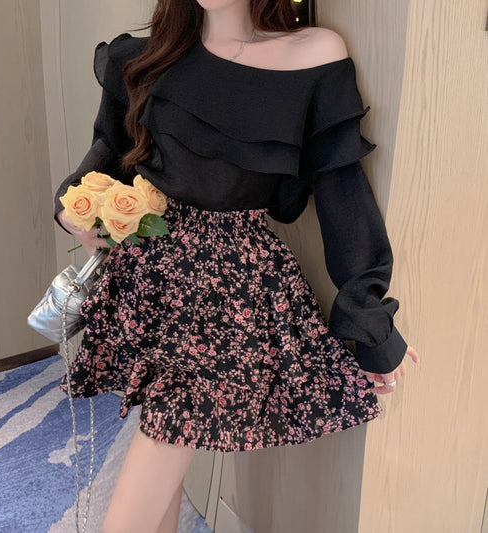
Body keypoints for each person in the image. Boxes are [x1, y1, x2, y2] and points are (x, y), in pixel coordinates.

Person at [53, 1, 419, 531]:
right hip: (149, 274)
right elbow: (111, 146)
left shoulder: (313, 55)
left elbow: (343, 193)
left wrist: (369, 320)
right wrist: (74, 205)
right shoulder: (151, 57)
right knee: (163, 441)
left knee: (165, 433)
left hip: (231, 291)